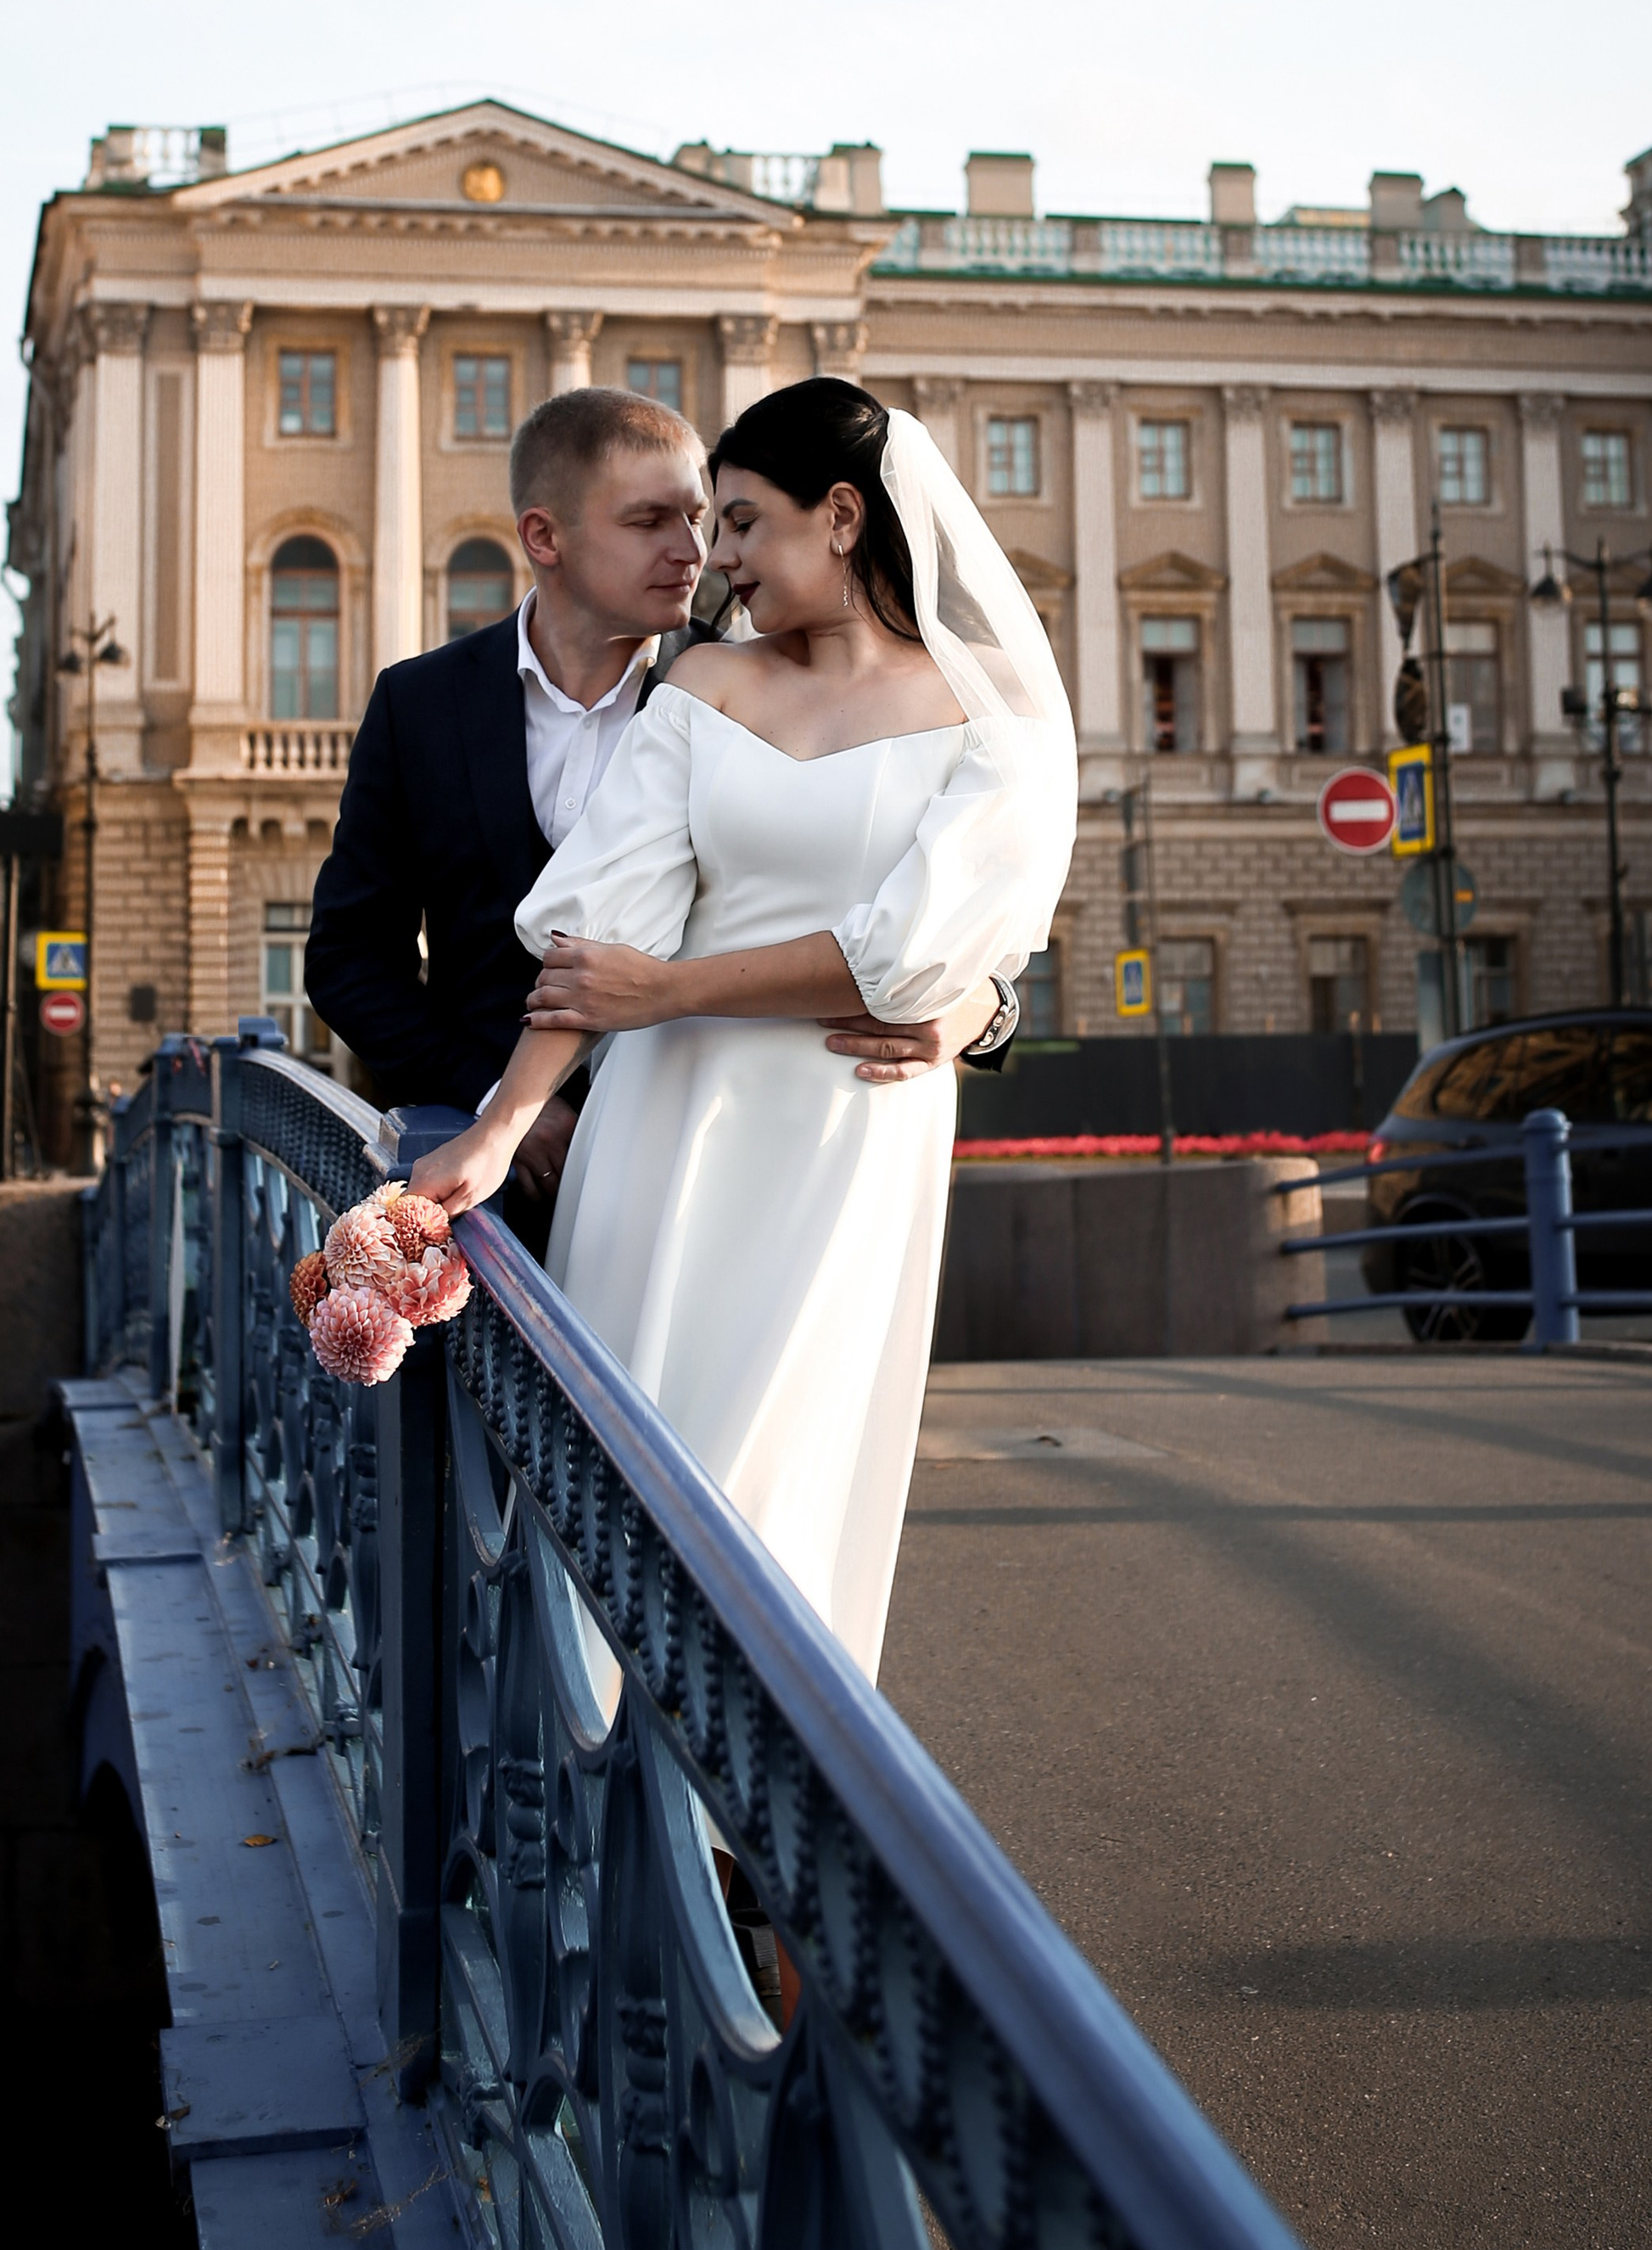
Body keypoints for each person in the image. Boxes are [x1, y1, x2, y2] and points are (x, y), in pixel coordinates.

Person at [414, 379, 1076, 1680]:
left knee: (786, 1481)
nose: (716, 560)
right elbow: (598, 932)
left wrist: (672, 992)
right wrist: (500, 1127)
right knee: (624, 1475)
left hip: (846, 1143)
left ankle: (746, 1789)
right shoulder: (706, 681)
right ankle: (599, 1774)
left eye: (742, 523)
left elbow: (903, 960)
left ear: (842, 516)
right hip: (667, 1128)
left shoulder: (997, 704)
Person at [306, 386, 1008, 1247]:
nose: (695, 552)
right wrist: (501, 1104)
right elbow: (348, 959)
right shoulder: (418, 704)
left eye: (702, 518)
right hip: (487, 1190)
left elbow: (902, 883)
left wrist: (986, 1006)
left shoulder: (756, 687)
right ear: (544, 537)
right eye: (649, 522)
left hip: (720, 1159)